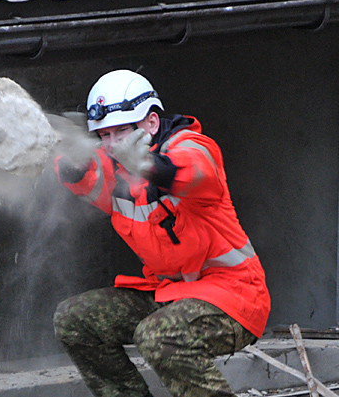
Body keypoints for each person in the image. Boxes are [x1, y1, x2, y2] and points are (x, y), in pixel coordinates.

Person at [51, 70, 271, 397]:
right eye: (104, 135)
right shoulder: (112, 165)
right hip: (169, 293)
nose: (111, 144)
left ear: (151, 123)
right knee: (72, 320)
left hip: (232, 296)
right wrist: (68, 157)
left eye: (122, 131)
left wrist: (147, 165)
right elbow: (86, 177)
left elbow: (194, 170)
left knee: (157, 335)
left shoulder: (190, 146)